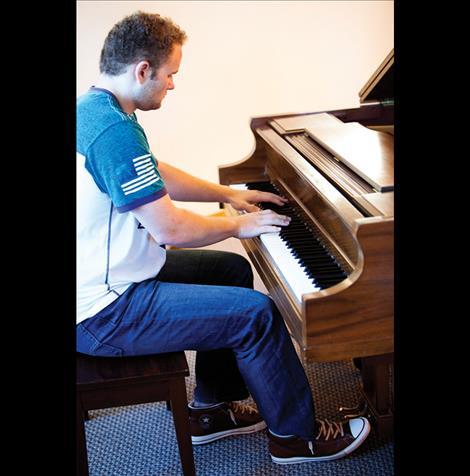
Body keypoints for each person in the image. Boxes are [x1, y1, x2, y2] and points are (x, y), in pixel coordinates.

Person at [76, 10, 371, 465]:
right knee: (256, 315)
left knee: (230, 269)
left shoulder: (99, 110)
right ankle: (297, 438)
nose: (172, 85)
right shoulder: (113, 130)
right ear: (142, 70)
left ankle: (210, 409)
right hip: (107, 311)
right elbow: (169, 229)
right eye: (171, 75)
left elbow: (153, 173)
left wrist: (228, 194)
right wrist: (237, 224)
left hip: (110, 276)